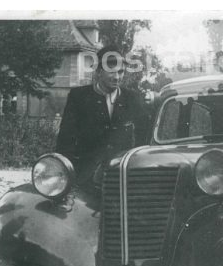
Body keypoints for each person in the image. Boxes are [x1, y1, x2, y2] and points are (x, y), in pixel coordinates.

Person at [56, 45, 152, 184]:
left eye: (121, 72)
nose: (117, 77)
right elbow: (65, 140)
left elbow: (144, 138)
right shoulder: (79, 97)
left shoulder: (133, 99)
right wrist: (66, 174)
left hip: (124, 175)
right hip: (85, 177)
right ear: (99, 71)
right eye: (111, 72)